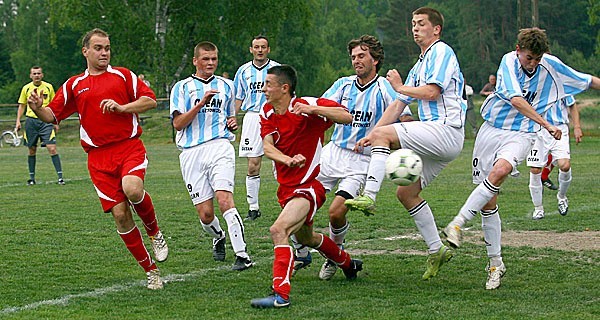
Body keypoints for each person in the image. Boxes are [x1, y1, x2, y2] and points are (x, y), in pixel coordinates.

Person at [442, 27, 600, 290]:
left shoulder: (549, 65)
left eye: (537, 59)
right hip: (491, 130)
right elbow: (516, 100)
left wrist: (543, 124)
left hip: (522, 133)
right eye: (529, 58)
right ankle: (495, 263)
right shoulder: (508, 62)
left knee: (500, 171)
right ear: (518, 51)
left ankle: (457, 223)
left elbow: (586, 80)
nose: (533, 64)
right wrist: (547, 124)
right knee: (488, 202)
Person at [27, 28, 169, 290]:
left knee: (133, 188)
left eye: (107, 48)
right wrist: (36, 108)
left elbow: (150, 100)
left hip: (128, 147)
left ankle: (154, 232)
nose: (104, 52)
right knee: (120, 215)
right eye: (98, 48)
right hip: (98, 158)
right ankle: (151, 270)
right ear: (86, 51)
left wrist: (124, 108)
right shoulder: (74, 85)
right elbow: (51, 115)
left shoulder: (122, 76)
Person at [344, 7, 465, 281]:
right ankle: (437, 250)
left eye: (421, 23)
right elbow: (399, 104)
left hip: (446, 130)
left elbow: (432, 92)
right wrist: (374, 132)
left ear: (436, 29)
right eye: (412, 23)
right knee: (406, 194)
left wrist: (399, 88)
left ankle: (369, 196)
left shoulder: (441, 51)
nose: (415, 28)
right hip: (437, 136)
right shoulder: (421, 63)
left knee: (385, 136)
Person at [294, 35, 412, 280]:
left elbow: (406, 119)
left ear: (375, 59)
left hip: (361, 161)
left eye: (361, 56)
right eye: (354, 57)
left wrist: (406, 145)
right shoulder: (343, 85)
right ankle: (303, 250)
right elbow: (320, 105)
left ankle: (333, 255)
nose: (356, 61)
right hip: (332, 154)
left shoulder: (385, 88)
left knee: (336, 213)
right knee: (301, 203)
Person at [250, 65, 363, 309]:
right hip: (287, 190)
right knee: (308, 238)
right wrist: (287, 160)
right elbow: (267, 147)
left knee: (278, 230)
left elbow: (346, 115)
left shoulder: (305, 105)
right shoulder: (267, 111)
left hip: (310, 187)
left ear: (284, 88)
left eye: (268, 84)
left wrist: (313, 110)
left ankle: (280, 294)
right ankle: (347, 263)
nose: (264, 88)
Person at [170, 41, 253, 271]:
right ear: (195, 61)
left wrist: (233, 123)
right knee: (206, 215)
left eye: (214, 59)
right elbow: (178, 124)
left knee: (225, 199)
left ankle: (242, 254)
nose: (210, 63)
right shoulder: (182, 88)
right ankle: (218, 237)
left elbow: (230, 118)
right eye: (205, 59)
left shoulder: (227, 86)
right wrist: (200, 104)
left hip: (220, 147)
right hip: (191, 152)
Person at [233, 35, 280, 221]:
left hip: (274, 115)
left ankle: (289, 202)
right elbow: (238, 97)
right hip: (252, 118)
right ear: (251, 49)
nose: (260, 50)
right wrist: (232, 117)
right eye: (256, 47)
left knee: (282, 162)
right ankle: (253, 208)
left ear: (268, 49)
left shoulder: (277, 70)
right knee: (253, 164)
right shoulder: (243, 71)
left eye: (263, 47)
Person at [528, 95, 582, 220]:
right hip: (537, 130)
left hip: (559, 128)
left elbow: (572, 105)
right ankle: (538, 208)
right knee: (535, 169)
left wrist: (577, 127)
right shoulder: (533, 83)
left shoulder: (562, 84)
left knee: (565, 165)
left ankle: (562, 197)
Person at [16, 66, 64, 185]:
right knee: (32, 149)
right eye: (34, 73)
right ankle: (32, 179)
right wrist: (18, 121)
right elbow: (22, 105)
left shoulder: (48, 87)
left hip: (46, 121)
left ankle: (60, 178)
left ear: (42, 75)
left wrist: (56, 122)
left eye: (38, 73)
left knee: (51, 148)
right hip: (31, 121)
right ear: (30, 75)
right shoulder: (26, 88)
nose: (36, 75)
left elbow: (55, 105)